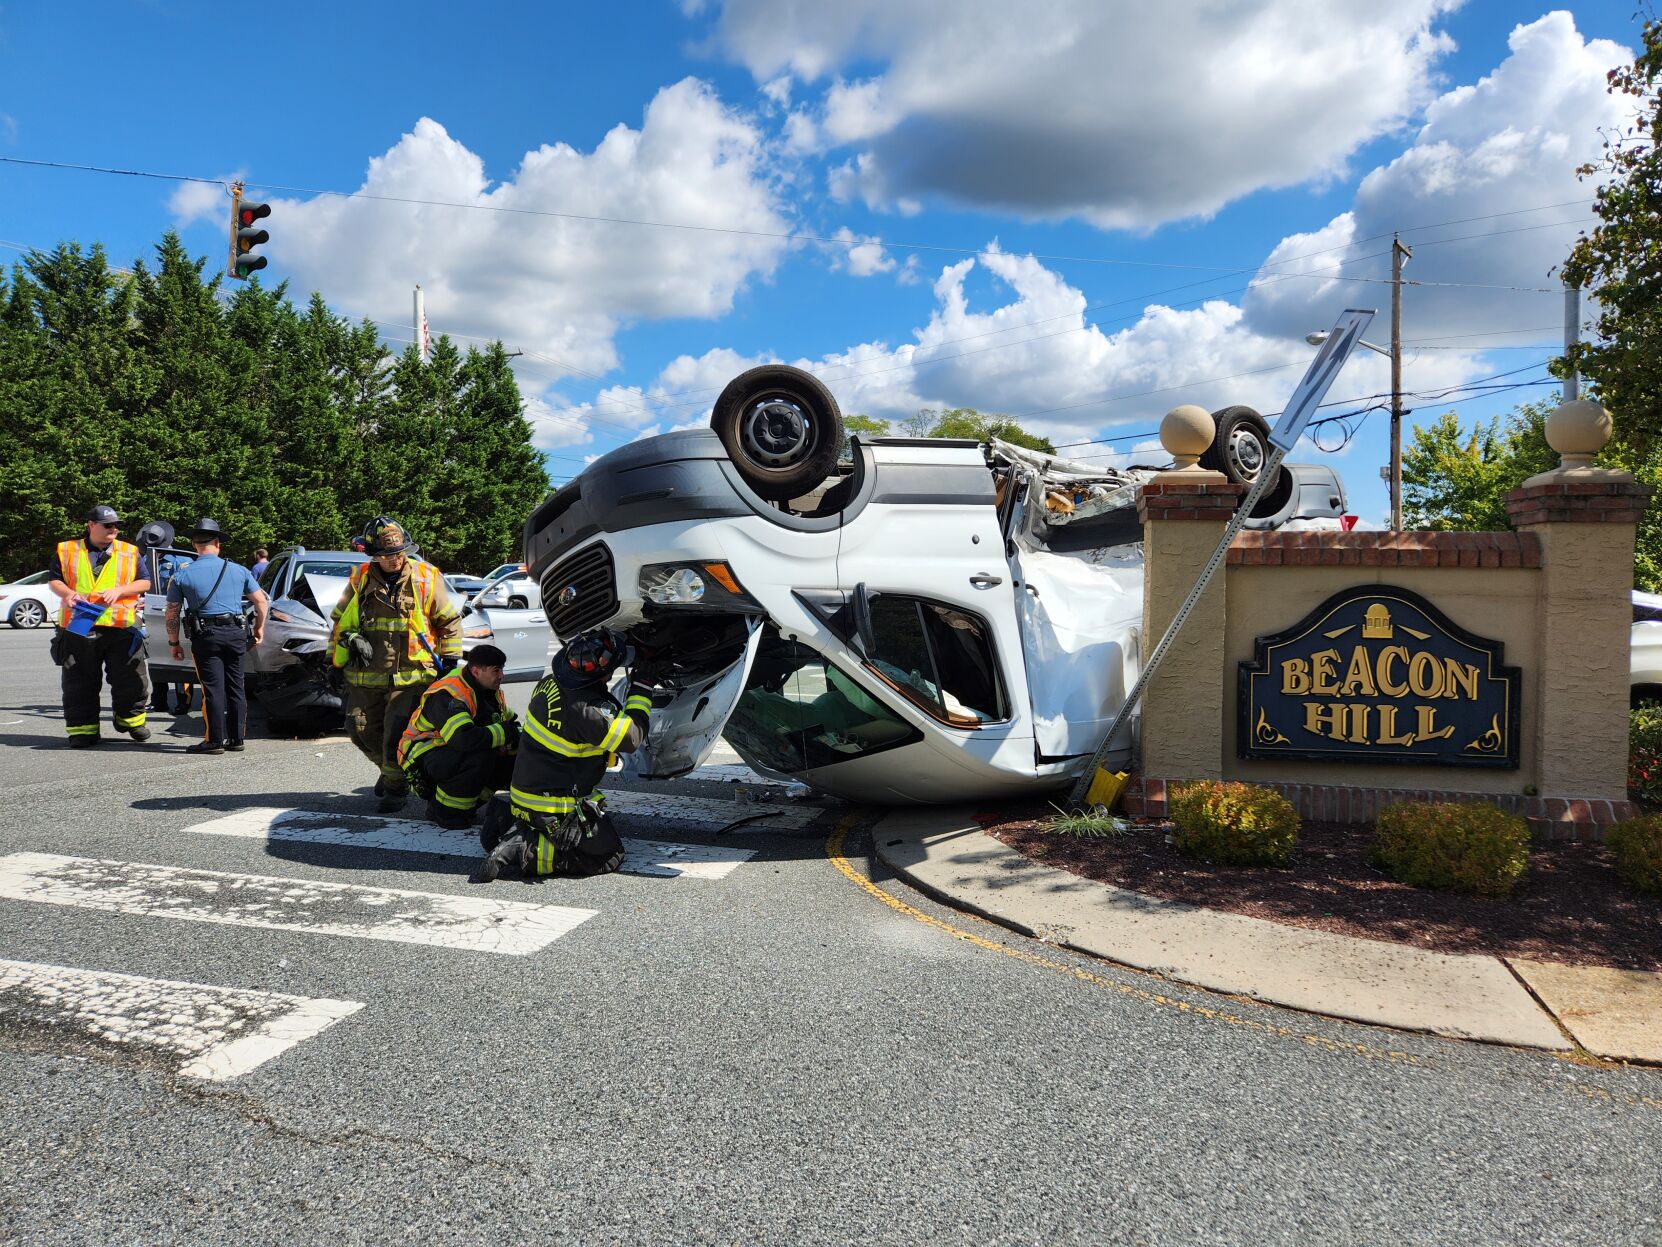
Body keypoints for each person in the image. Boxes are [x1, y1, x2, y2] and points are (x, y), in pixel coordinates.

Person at [474, 628, 655, 883]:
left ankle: (510, 822)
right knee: (608, 854)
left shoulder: (550, 682)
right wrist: (643, 685)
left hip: (527, 793)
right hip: (551, 806)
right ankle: (526, 849)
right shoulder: (587, 712)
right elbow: (631, 736)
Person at [330, 516, 462, 812]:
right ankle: (390, 772)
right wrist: (344, 645)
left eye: (399, 553)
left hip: (412, 676)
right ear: (374, 555)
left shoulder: (427, 576)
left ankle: (395, 789)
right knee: (358, 729)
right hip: (366, 674)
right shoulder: (359, 578)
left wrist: (451, 660)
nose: (395, 559)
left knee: (395, 737)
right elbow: (340, 620)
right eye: (387, 555)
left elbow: (450, 621)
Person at [47, 504, 153, 748]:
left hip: (121, 627)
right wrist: (68, 593)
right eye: (108, 525)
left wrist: (120, 590)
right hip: (79, 626)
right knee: (78, 682)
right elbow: (54, 579)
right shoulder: (67, 550)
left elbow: (145, 582)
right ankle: (83, 730)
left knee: (131, 678)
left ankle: (130, 721)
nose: (113, 529)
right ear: (91, 525)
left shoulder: (129, 551)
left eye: (116, 525)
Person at [164, 518, 270, 755]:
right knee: (236, 686)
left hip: (206, 635)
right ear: (218, 543)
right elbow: (261, 602)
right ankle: (236, 739)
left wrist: (174, 642)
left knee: (212, 688)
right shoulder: (239, 570)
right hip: (235, 633)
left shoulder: (183, 575)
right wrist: (259, 629)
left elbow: (171, 611)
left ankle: (214, 741)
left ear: (194, 545)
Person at [396, 644, 519, 829]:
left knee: (510, 755)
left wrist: (518, 738)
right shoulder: (450, 694)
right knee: (482, 753)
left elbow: (508, 720)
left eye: (501, 669)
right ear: (476, 671)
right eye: (496, 670)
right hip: (421, 757)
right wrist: (507, 734)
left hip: (447, 752)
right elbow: (463, 738)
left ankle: (466, 807)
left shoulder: (487, 691)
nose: (501, 675)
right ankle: (444, 812)